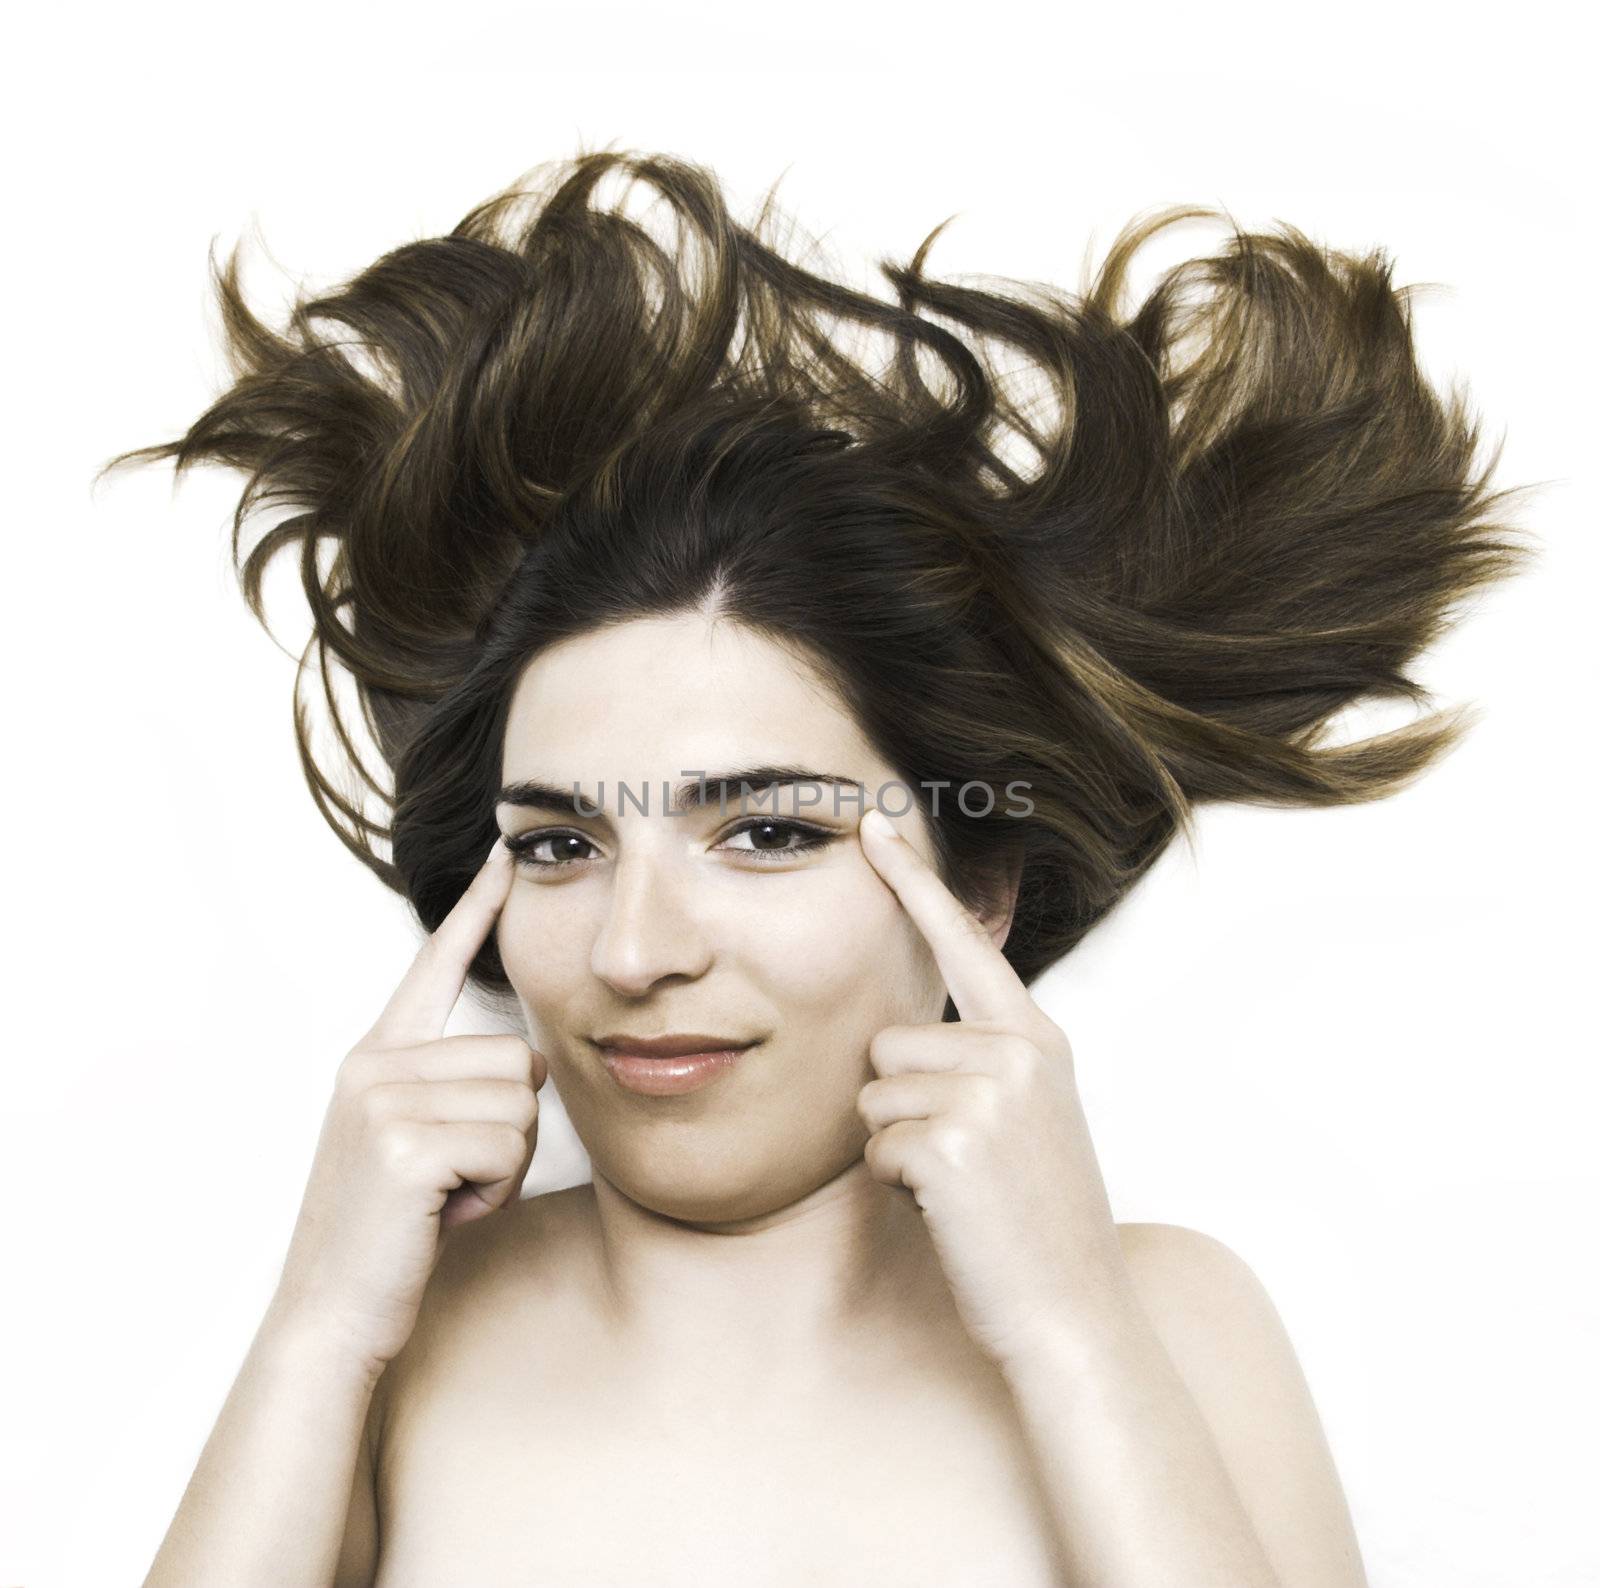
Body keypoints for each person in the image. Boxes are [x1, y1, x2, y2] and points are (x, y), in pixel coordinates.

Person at [98, 145, 1536, 1587]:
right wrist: (319, 1327)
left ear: (978, 891)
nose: (632, 948)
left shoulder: (1165, 1320)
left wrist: (1068, 1329)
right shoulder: (390, 1340)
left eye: (769, 832)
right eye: (558, 844)